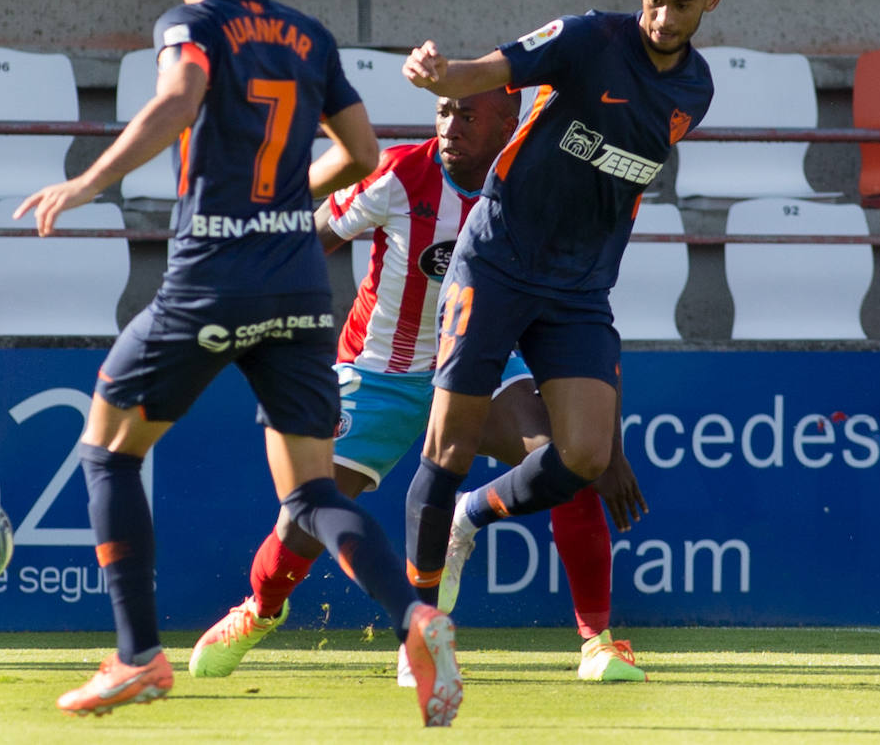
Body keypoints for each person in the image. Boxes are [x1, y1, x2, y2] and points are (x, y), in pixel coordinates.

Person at [14, 0, 461, 728]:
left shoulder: (191, 23)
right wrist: (292, 197)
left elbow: (179, 98)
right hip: (297, 281)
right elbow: (365, 153)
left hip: (214, 275)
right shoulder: (306, 34)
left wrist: (87, 181)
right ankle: (415, 616)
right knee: (313, 496)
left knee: (108, 448)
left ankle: (138, 657)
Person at [188, 86, 649, 685]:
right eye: (444, 112)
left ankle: (597, 644)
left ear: (508, 123)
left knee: (569, 465)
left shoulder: (537, 191)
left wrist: (605, 441)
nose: (451, 125)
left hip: (482, 365)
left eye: (468, 114)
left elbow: (589, 314)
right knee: (305, 514)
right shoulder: (403, 172)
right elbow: (312, 239)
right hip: (380, 372)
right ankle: (258, 612)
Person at [397, 0, 725, 673]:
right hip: (500, 258)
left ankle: (472, 517)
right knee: (446, 446)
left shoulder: (695, 90)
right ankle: (420, 631)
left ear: (711, 0)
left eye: (682, 4)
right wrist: (439, 75)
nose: (663, 16)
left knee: (584, 454)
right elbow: (488, 72)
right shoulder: (585, 40)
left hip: (579, 287)